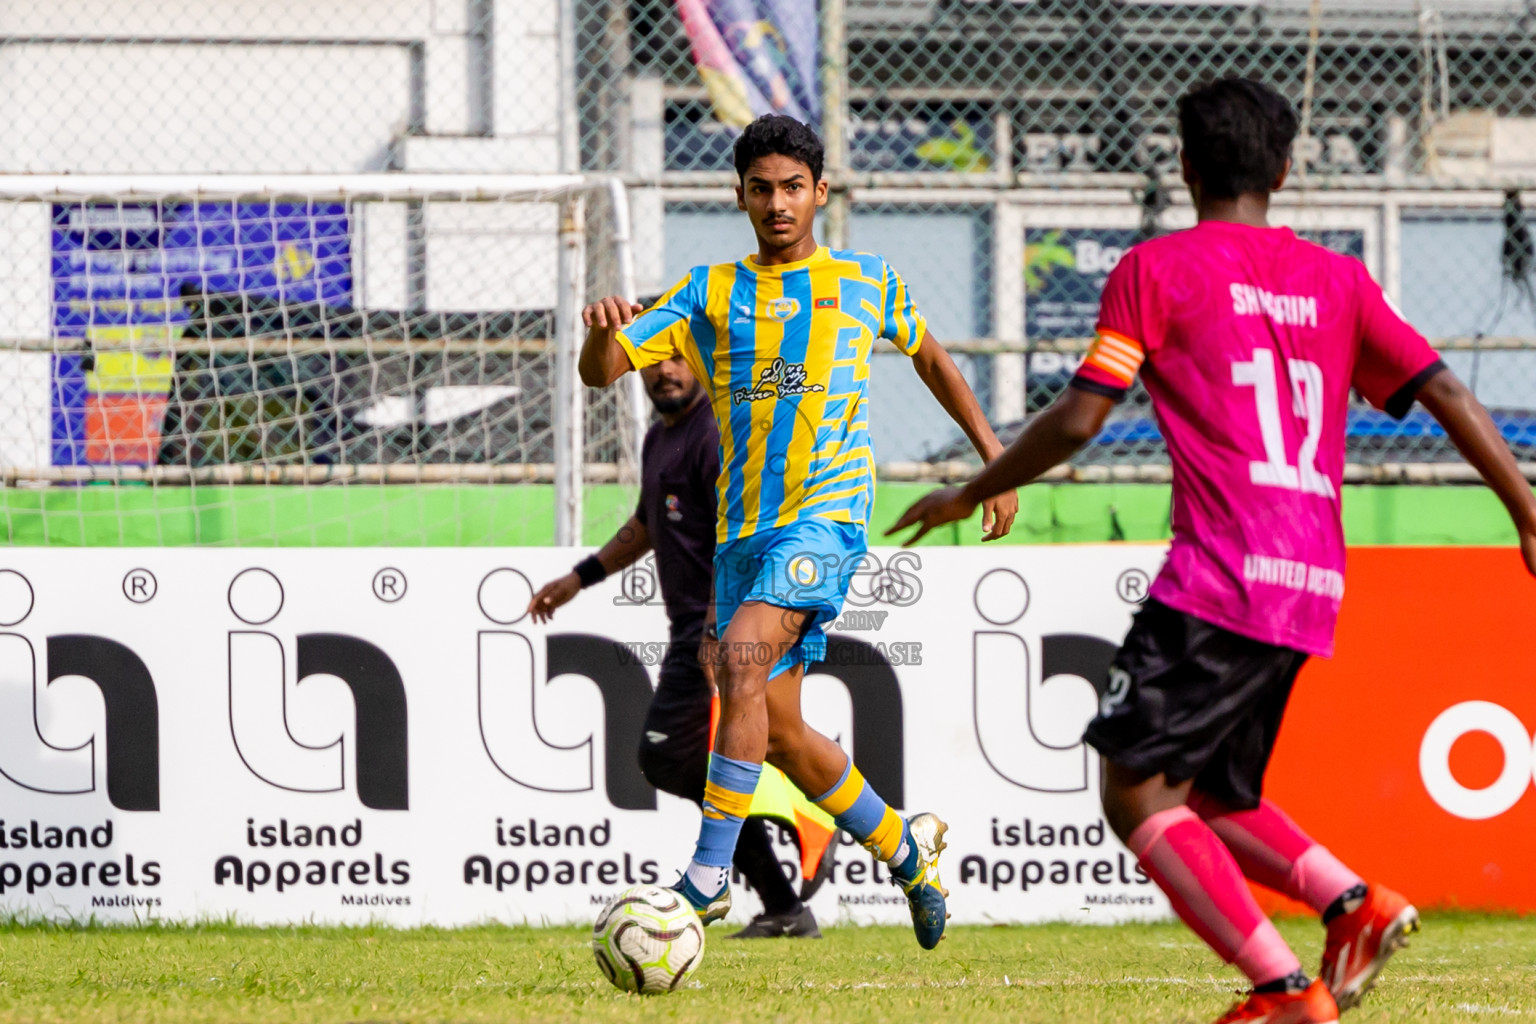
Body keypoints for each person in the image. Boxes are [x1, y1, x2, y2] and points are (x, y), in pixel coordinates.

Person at [890, 77, 1536, 1022]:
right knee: (1215, 796)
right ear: (1284, 168)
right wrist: (1524, 507)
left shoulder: (1157, 272)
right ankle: (1354, 905)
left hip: (1218, 577)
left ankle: (1281, 989)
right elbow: (1447, 394)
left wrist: (973, 487)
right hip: (1311, 581)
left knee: (1138, 793)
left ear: (1184, 165)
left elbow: (1078, 419)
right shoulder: (1341, 280)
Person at [577, 113, 1019, 949]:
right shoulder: (708, 292)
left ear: (820, 192)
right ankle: (906, 846)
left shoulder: (867, 281)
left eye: (793, 188)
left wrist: (991, 459)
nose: (778, 203)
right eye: (761, 189)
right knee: (776, 730)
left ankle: (705, 882)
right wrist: (602, 330)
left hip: (826, 520)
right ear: (738, 195)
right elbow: (604, 373)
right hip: (742, 534)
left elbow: (930, 359)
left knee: (738, 658)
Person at [527, 353, 821, 939]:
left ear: (701, 363)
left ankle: (778, 887)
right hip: (694, 630)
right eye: (653, 360)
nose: (665, 370)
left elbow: (736, 534)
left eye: (677, 358)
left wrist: (717, 627)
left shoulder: (714, 434)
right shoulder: (661, 438)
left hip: (717, 631)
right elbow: (645, 522)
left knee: (671, 757)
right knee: (692, 761)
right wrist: (579, 577)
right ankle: (784, 899)